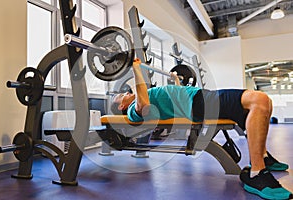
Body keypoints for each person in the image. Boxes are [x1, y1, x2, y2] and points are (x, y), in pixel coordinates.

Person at [110, 58, 292, 200]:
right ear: (121, 107)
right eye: (121, 96)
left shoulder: (143, 96)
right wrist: (136, 71)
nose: (125, 93)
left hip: (199, 97)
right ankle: (256, 172)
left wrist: (175, 80)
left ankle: (263, 156)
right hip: (198, 104)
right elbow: (145, 106)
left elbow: (173, 96)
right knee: (258, 100)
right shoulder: (134, 109)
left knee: (264, 103)